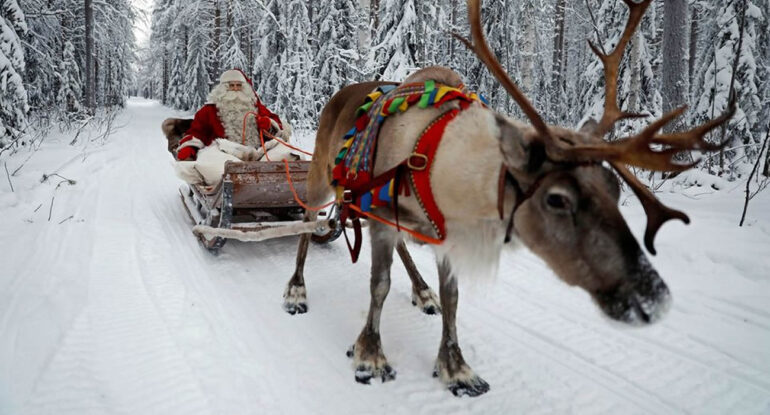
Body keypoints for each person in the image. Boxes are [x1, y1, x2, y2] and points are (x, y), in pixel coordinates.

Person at [176, 68, 288, 161]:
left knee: (286, 155)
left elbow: (276, 125)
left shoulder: (255, 106)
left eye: (239, 85)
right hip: (224, 154)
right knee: (213, 163)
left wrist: (269, 125)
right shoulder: (209, 110)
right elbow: (198, 132)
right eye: (231, 85)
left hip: (257, 154)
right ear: (223, 88)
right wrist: (190, 147)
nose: (235, 89)